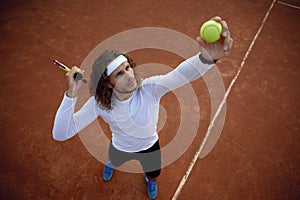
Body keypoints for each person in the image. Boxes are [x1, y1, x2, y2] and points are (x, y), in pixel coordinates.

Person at [52, 16, 233, 200]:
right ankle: (112, 163)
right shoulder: (99, 104)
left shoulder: (149, 89)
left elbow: (179, 75)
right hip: (120, 146)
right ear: (108, 84)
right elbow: (61, 133)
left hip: (149, 146)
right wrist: (71, 94)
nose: (129, 75)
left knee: (154, 173)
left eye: (128, 67)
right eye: (119, 74)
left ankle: (149, 180)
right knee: (115, 159)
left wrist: (206, 59)